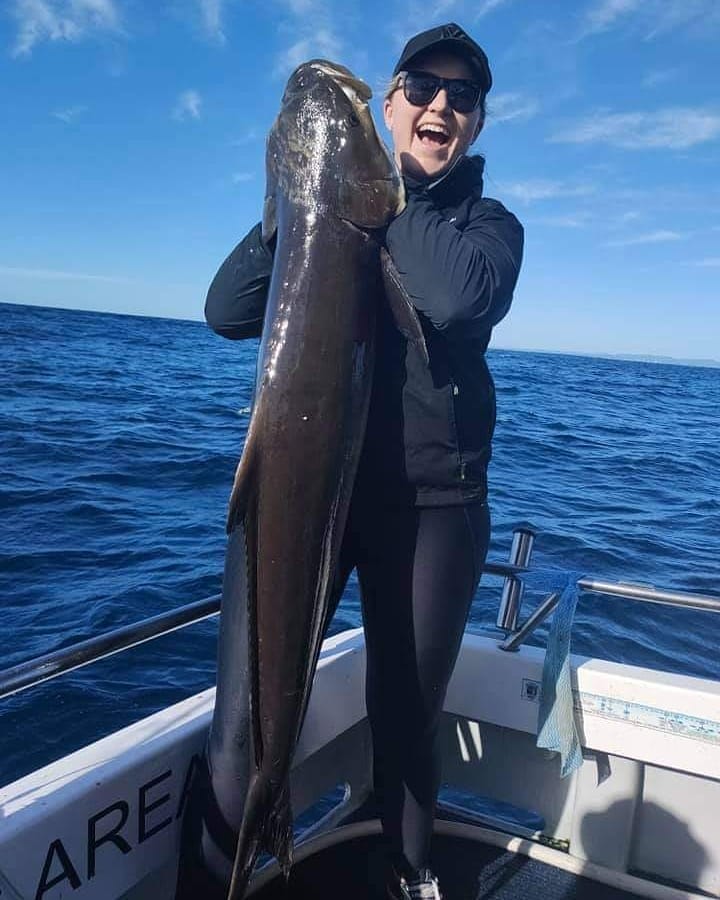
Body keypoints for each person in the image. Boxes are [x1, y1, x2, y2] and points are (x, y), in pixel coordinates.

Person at [204, 22, 523, 900]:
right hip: (305, 492)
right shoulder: (328, 211)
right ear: (389, 105)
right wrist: (295, 196)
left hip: (428, 512)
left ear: (476, 126)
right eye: (422, 86)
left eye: (462, 98)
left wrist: (375, 195)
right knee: (240, 727)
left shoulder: (487, 227)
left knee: (404, 722)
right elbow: (226, 309)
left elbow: (458, 297)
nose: (440, 105)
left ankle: (410, 879)